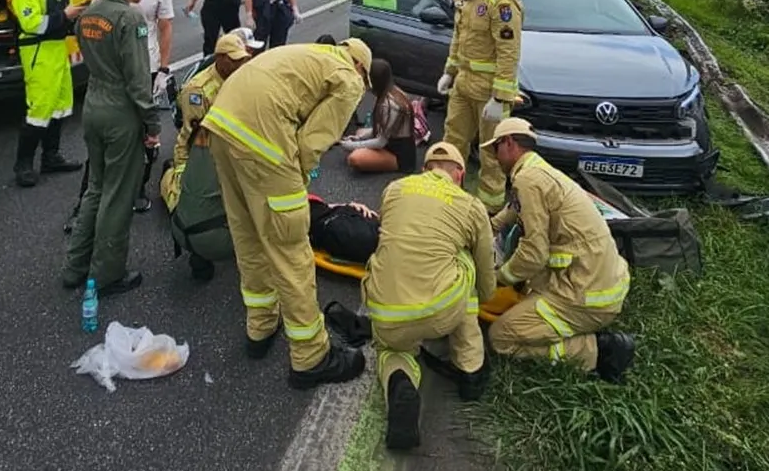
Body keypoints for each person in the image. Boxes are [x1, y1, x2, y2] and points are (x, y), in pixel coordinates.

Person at [202, 39, 373, 389]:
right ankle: (311, 358)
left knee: (248, 236)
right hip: (262, 140)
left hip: (221, 126)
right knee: (290, 248)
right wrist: (297, 180)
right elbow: (312, 142)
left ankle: (260, 328)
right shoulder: (349, 77)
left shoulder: (308, 54)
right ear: (361, 67)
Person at [362, 140, 498, 451]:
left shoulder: (394, 189)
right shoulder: (471, 206)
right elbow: (487, 276)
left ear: (425, 169)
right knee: (465, 263)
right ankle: (470, 369)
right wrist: (487, 293)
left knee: (392, 350)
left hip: (386, 310)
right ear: (460, 175)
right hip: (440, 311)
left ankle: (401, 381)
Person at [480, 117, 636, 383]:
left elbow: (533, 254)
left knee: (501, 337)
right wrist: (479, 228)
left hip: (586, 294)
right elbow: (511, 212)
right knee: (524, 294)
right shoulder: (537, 172)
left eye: (496, 149)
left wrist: (495, 278)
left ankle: (598, 351)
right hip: (597, 280)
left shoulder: (528, 179)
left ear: (508, 142)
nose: (495, 158)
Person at [61, 0, 160, 296]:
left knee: (96, 188)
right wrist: (152, 124)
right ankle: (107, 274)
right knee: (118, 196)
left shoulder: (89, 12)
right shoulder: (130, 18)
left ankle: (75, 266)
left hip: (93, 104)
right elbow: (137, 80)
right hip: (121, 111)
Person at [436, 0, 523, 211]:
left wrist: (500, 97)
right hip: (463, 82)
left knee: (492, 151)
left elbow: (508, 53)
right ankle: (447, 195)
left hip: (488, 90)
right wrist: (449, 72)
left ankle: (489, 209)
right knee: (452, 139)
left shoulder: (502, 3)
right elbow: (458, 37)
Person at [92, 0, 175, 212]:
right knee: (117, 131)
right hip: (115, 71)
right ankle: (99, 188)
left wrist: (163, 67)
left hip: (147, 66)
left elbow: (164, 27)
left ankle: (139, 185)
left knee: (146, 132)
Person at [161, 32, 254, 281]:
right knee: (197, 212)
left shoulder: (238, 78)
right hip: (197, 155)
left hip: (226, 151)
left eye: (242, 59)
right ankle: (198, 255)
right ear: (221, 59)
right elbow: (197, 137)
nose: (240, 64)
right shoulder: (198, 90)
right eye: (235, 60)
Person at [9, 0, 86, 187]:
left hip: (56, 51)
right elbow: (31, 24)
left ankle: (51, 157)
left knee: (60, 105)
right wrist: (65, 14)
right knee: (39, 109)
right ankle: (23, 164)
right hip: (39, 54)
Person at [339, 58, 417, 174]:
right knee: (360, 132)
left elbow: (381, 142)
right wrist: (360, 138)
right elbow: (384, 129)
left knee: (355, 158)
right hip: (393, 143)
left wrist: (352, 145)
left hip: (398, 154)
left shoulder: (389, 105)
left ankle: (389, 163)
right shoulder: (394, 91)